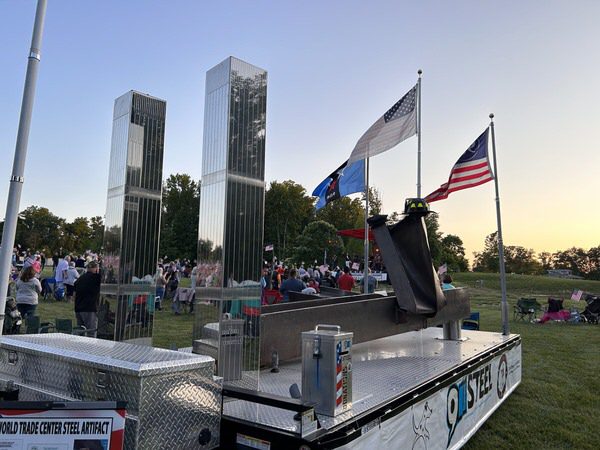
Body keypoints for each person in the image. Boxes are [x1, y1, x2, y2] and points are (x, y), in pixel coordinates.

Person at [74, 260, 101, 337]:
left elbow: (75, 290)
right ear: (95, 268)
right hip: (89, 308)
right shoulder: (96, 278)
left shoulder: (81, 278)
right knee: (91, 332)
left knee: (80, 332)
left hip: (78, 308)